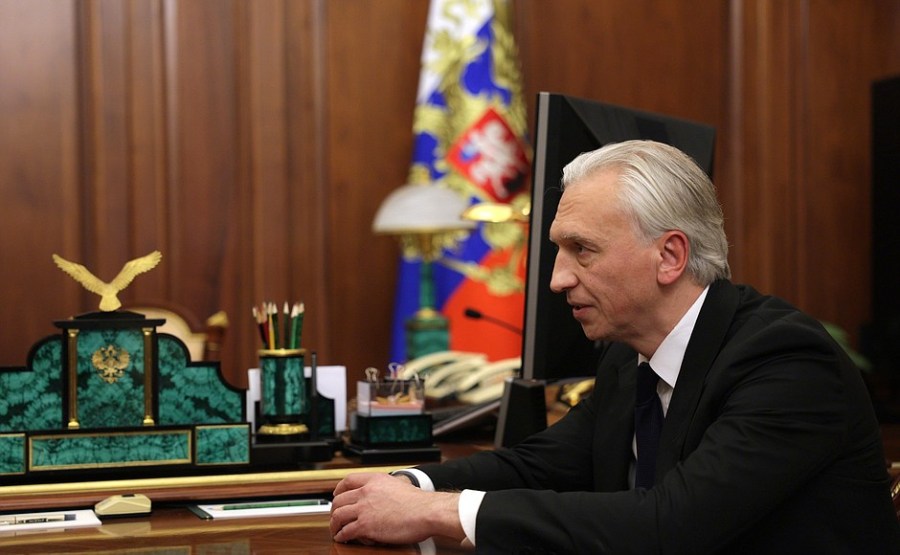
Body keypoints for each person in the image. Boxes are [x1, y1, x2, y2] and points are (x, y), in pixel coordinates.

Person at [330, 140, 900, 553]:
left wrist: (439, 511)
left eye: (582, 249)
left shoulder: (787, 360)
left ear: (670, 256)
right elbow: (544, 463)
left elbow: (672, 526)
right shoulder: (630, 355)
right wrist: (412, 484)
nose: (557, 280)